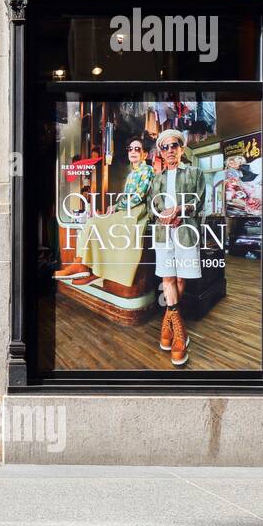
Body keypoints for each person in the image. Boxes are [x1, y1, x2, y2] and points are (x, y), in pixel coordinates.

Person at [54, 137, 153, 287]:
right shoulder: (132, 173)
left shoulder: (147, 169)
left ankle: (87, 268)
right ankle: (83, 265)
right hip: (127, 210)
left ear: (144, 154)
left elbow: (139, 196)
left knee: (95, 223)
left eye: (137, 149)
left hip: (136, 212)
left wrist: (116, 207)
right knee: (93, 223)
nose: (133, 151)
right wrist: (116, 208)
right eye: (130, 149)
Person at [148, 128, 205, 366]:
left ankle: (168, 323)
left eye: (174, 146)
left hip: (185, 231)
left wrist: (180, 210)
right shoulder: (156, 179)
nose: (170, 150)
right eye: (165, 147)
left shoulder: (195, 172)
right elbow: (152, 209)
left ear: (181, 148)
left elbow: (199, 200)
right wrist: (161, 216)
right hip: (163, 234)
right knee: (168, 279)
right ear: (160, 152)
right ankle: (178, 333)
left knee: (181, 279)